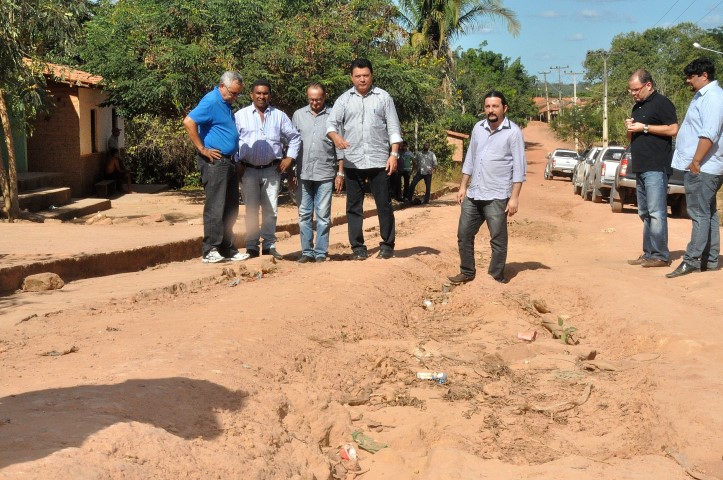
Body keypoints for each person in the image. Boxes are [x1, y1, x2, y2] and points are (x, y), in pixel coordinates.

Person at [326, 58, 402, 260]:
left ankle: (387, 245)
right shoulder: (343, 100)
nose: (362, 79)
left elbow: (394, 128)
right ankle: (358, 247)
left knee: (384, 204)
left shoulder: (383, 97)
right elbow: (331, 124)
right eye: (358, 76)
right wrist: (336, 137)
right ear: (351, 77)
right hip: (353, 161)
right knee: (353, 206)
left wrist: (393, 154)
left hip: (379, 161)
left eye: (366, 75)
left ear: (372, 75)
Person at [448, 91, 526, 285]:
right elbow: (470, 158)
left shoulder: (513, 132)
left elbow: (519, 167)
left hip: (498, 195)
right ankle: (467, 271)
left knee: (497, 239)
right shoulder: (478, 128)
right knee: (464, 234)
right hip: (474, 193)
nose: (491, 110)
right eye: (488, 106)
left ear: (504, 108)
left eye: (495, 106)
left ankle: (495, 276)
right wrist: (463, 186)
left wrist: (514, 197)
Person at [183, 71, 250, 264]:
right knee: (215, 206)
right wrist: (202, 149)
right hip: (215, 162)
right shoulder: (211, 101)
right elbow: (189, 122)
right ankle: (210, 249)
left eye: (238, 94)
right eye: (233, 93)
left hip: (229, 161)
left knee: (230, 207)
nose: (235, 97)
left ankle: (227, 247)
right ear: (222, 86)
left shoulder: (225, 103)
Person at [667, 58, 723, 278]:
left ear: (704, 75)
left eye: (691, 76)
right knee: (708, 213)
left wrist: (696, 161)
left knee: (699, 214)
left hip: (705, 166)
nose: (687, 80)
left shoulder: (713, 98)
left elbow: (709, 133)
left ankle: (691, 260)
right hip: (706, 165)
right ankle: (709, 261)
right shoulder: (706, 96)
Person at [235, 79, 301, 260]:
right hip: (247, 170)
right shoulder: (240, 115)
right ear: (251, 95)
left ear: (269, 95)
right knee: (250, 210)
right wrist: (236, 162)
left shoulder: (279, 116)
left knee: (271, 209)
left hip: (272, 170)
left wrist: (290, 158)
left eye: (265, 93)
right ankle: (251, 247)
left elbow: (294, 137)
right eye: (258, 93)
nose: (261, 96)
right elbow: (232, 140)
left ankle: (269, 245)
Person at [624, 69, 679, 268]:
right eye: (631, 90)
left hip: (656, 166)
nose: (633, 93)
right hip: (640, 166)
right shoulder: (637, 107)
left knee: (656, 212)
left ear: (648, 85)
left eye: (636, 89)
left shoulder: (662, 103)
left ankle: (660, 255)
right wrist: (631, 128)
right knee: (645, 213)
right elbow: (631, 138)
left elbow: (673, 129)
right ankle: (648, 253)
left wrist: (644, 127)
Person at [292, 83, 344, 263]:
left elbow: (340, 148)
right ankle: (307, 251)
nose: (315, 103)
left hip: (325, 173)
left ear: (325, 97)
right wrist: (291, 170)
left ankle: (321, 252)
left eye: (318, 99)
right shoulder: (298, 115)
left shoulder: (333, 116)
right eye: (311, 99)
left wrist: (340, 173)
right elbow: (293, 144)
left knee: (323, 215)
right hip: (303, 173)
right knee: (304, 214)